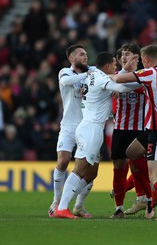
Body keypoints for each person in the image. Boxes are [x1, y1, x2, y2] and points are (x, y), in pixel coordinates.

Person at [54, 51, 135, 219]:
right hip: (90, 128)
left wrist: (125, 71)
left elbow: (114, 78)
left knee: (92, 173)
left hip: (92, 128)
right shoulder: (99, 77)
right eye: (114, 64)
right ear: (107, 66)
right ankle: (61, 207)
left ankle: (75, 206)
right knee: (80, 168)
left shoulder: (94, 75)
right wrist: (144, 83)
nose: (116, 67)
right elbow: (120, 87)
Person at [112, 45, 157, 221]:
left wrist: (95, 77)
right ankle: (145, 194)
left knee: (155, 176)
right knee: (132, 152)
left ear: (147, 59)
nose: (142, 63)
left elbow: (118, 79)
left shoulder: (149, 73)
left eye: (142, 60)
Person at [49, 45, 94, 218]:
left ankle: (79, 205)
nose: (85, 57)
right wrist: (88, 76)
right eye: (81, 54)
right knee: (63, 161)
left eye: (86, 54)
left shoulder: (92, 72)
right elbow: (65, 82)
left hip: (88, 125)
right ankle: (56, 200)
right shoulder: (65, 72)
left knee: (90, 169)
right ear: (71, 58)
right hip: (68, 125)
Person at [109, 43, 147, 218]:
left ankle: (148, 198)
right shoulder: (116, 76)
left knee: (139, 169)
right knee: (118, 168)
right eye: (122, 54)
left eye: (128, 54)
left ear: (136, 58)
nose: (123, 57)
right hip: (120, 128)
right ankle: (119, 208)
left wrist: (120, 79)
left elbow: (125, 87)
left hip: (137, 130)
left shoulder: (143, 76)